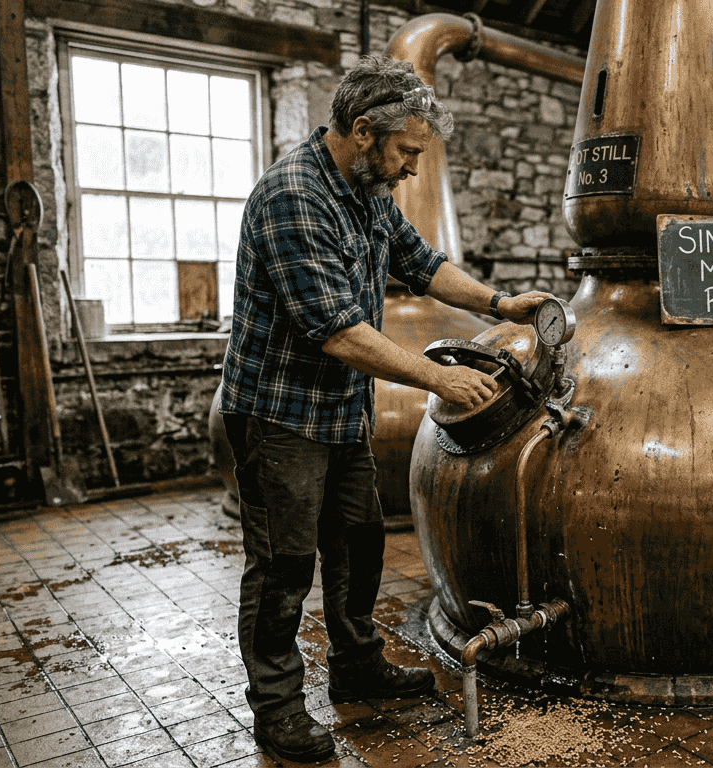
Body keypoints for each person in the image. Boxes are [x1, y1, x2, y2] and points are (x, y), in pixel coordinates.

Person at [219, 55, 550, 763]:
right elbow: (338, 329)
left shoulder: (366, 191)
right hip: (278, 416)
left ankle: (357, 664)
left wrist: (498, 303)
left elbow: (423, 263)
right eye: (407, 152)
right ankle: (277, 708)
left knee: (358, 544)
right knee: (282, 566)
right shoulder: (293, 196)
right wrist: (438, 378)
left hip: (339, 412)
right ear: (364, 130)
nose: (412, 171)